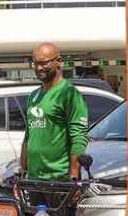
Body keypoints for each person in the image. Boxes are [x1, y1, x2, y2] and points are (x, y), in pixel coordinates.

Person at [20, 42, 89, 180]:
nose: (39, 68)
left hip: (59, 179)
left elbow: (79, 137)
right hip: (34, 179)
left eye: (44, 63)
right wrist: (22, 169)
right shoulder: (33, 96)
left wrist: (74, 174)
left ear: (58, 61)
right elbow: (28, 136)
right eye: (35, 63)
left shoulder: (68, 93)